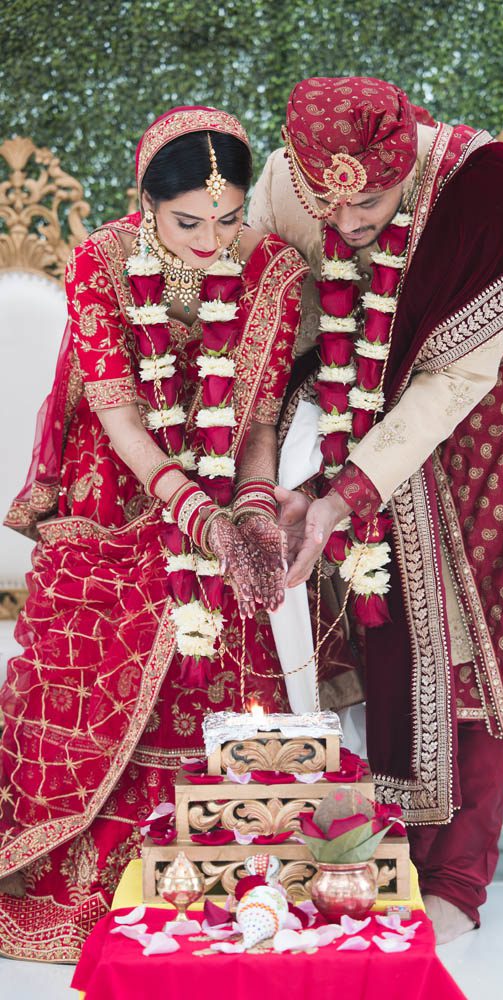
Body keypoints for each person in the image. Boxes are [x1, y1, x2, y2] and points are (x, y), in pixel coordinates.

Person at [248, 77, 503, 943]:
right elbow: (282, 342)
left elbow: (452, 382)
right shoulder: (280, 186)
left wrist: (348, 491)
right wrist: (288, 480)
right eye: (329, 206)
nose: (347, 225)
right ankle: (383, 855)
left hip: (494, 431)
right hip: (353, 424)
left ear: (403, 168)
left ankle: (458, 880)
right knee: (383, 634)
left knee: (488, 648)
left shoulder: (483, 191)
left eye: (370, 205)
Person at [0, 106, 309, 961]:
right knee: (96, 658)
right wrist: (190, 510)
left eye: (228, 219)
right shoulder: (100, 260)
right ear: (146, 205)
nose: (211, 241)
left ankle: (223, 869)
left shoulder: (275, 271)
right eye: (187, 222)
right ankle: (83, 874)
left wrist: (251, 508)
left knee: (222, 644)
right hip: (114, 490)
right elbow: (117, 414)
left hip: (221, 485)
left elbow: (258, 422)